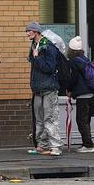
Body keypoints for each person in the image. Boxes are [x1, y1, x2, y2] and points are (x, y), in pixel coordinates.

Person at [25, 22, 62, 156]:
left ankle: (56, 146)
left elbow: (50, 68)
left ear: (36, 32)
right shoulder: (34, 46)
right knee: (39, 120)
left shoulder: (48, 47)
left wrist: (37, 58)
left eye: (29, 31)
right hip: (38, 89)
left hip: (49, 88)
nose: (27, 33)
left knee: (50, 119)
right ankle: (42, 145)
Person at [67, 36, 94, 153]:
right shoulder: (85, 59)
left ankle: (88, 145)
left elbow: (73, 79)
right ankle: (87, 143)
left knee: (81, 121)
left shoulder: (74, 62)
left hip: (82, 95)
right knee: (86, 121)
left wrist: (69, 89)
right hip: (91, 94)